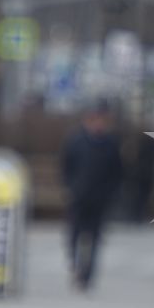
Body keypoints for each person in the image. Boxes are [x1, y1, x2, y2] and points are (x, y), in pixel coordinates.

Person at [60, 101, 126, 292]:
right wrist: (70, 187)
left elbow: (118, 171)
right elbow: (66, 166)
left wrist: (111, 193)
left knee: (95, 237)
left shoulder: (111, 144)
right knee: (74, 234)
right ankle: (75, 265)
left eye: (101, 121)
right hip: (78, 196)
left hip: (100, 198)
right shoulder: (76, 141)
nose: (98, 124)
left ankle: (87, 274)